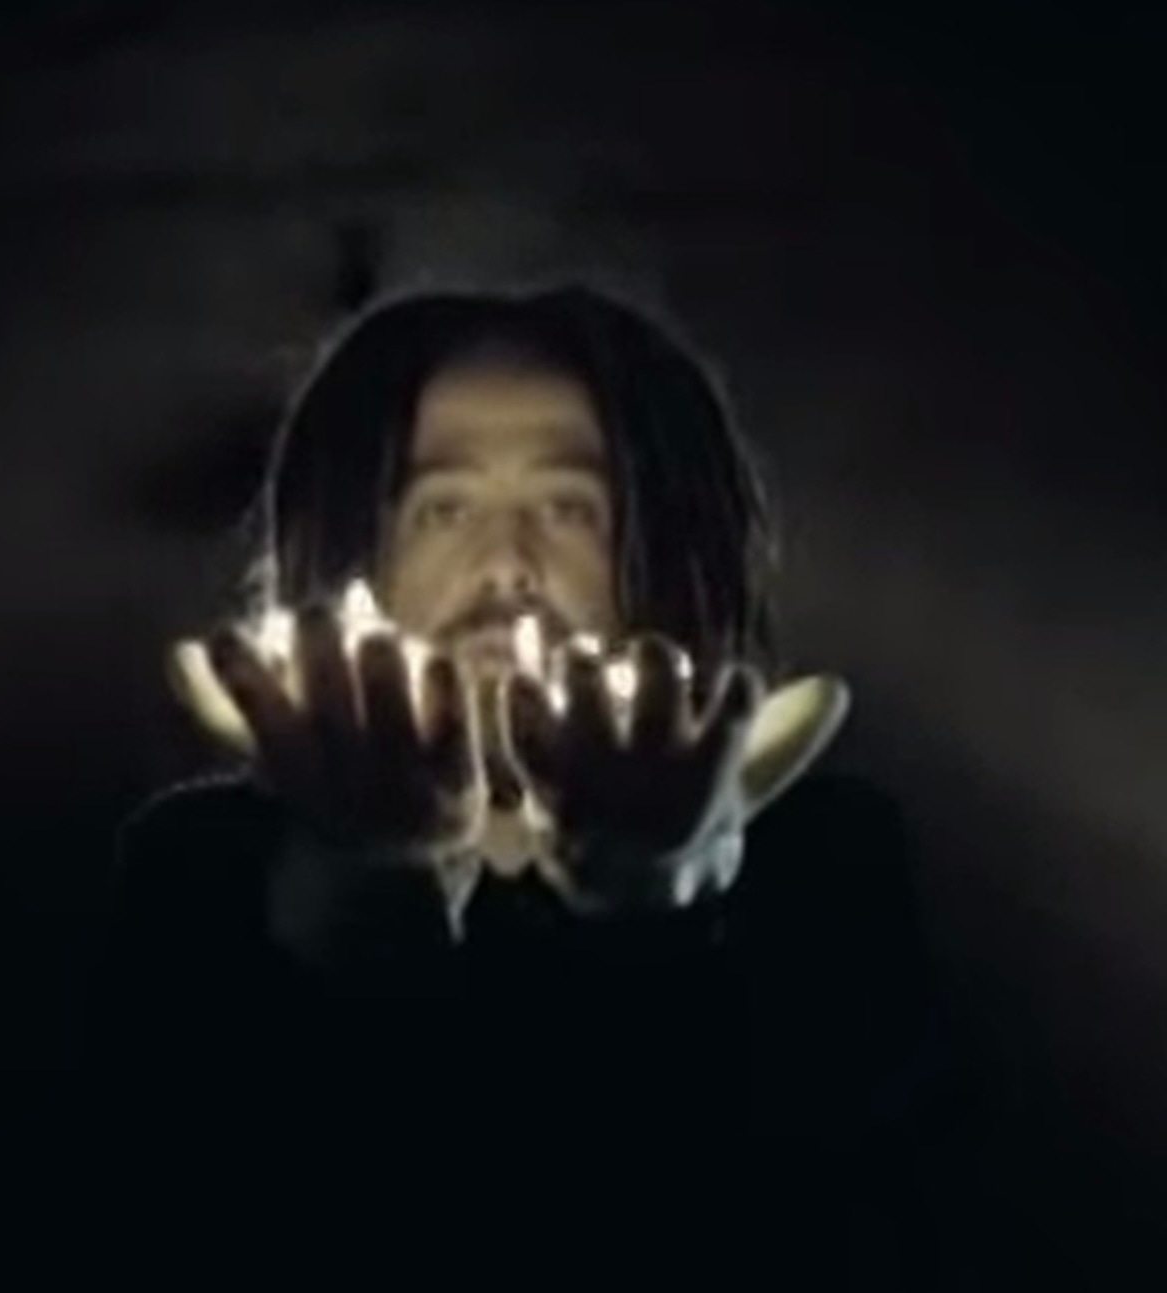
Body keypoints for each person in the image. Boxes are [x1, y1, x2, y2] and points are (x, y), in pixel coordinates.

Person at [95, 284, 981, 1285]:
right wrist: (366, 886)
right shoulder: (205, 866)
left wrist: (651, 911)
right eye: (443, 509)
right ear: (353, 553)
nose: (508, 567)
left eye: (569, 509)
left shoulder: (824, 862)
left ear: (663, 547)